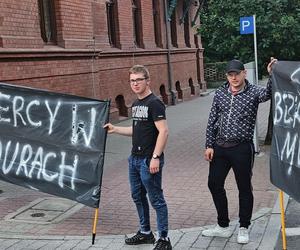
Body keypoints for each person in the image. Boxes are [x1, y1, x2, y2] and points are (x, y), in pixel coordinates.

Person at [202, 58, 277, 244]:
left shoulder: (253, 92)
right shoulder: (220, 93)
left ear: (244, 73)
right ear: (227, 76)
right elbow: (212, 120)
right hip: (220, 148)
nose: (234, 77)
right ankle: (223, 226)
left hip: (242, 148)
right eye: (230, 74)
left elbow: (269, 93)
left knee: (244, 187)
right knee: (214, 184)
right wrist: (209, 145)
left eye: (237, 73)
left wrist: (272, 73)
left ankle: (244, 227)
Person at [104, 65, 172, 250]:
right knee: (137, 196)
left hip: (149, 160)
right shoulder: (136, 104)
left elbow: (163, 131)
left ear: (147, 81)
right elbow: (137, 130)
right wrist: (115, 129)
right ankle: (145, 233)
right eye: (132, 80)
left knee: (156, 198)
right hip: (134, 159)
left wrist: (156, 157)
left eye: (138, 80)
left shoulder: (154, 103)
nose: (135, 83)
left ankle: (164, 239)